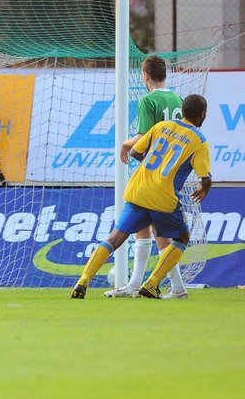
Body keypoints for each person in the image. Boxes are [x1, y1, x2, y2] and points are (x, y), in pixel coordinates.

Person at [71, 94, 211, 300]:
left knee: (115, 237)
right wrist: (204, 188)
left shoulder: (161, 126)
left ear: (182, 111)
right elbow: (204, 177)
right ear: (203, 115)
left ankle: (83, 280)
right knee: (182, 238)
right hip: (163, 197)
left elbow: (136, 151)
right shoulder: (199, 141)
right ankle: (152, 283)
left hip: (138, 189)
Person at [107, 55, 188, 299]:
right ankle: (135, 285)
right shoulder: (178, 98)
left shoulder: (147, 100)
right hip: (169, 170)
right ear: (165, 75)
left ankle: (177, 288)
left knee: (159, 232)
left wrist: (124, 144)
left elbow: (144, 137)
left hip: (154, 172)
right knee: (143, 228)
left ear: (145, 76)